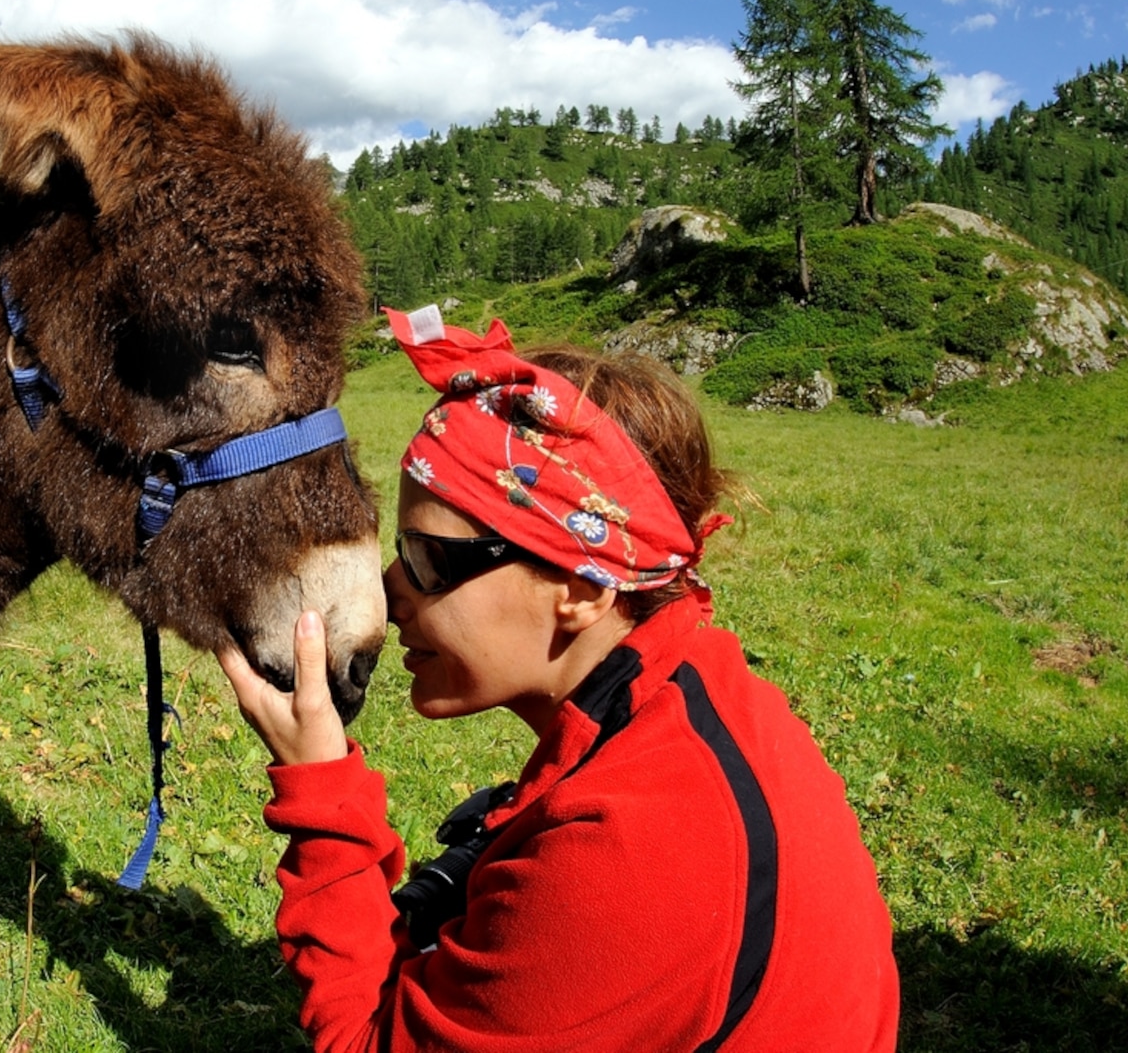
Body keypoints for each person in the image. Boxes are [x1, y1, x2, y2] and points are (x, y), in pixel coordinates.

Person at [216, 306, 899, 1053]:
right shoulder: (699, 689)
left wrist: (320, 788)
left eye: (432, 560)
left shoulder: (627, 860)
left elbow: (366, 1043)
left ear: (583, 587)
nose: (391, 591)